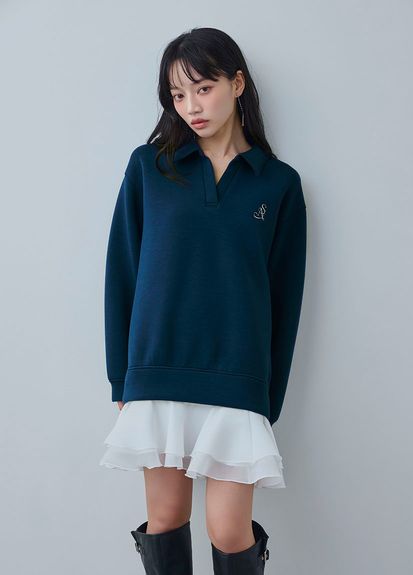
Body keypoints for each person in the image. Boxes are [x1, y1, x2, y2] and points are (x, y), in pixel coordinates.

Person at [99, 26, 307, 574]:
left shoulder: (278, 185)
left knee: (228, 530)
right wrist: (121, 377)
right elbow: (121, 273)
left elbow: (285, 301)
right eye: (177, 94)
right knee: (166, 519)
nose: (191, 106)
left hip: (237, 376)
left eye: (203, 88)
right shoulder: (149, 168)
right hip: (158, 370)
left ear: (237, 84)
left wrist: (268, 398)